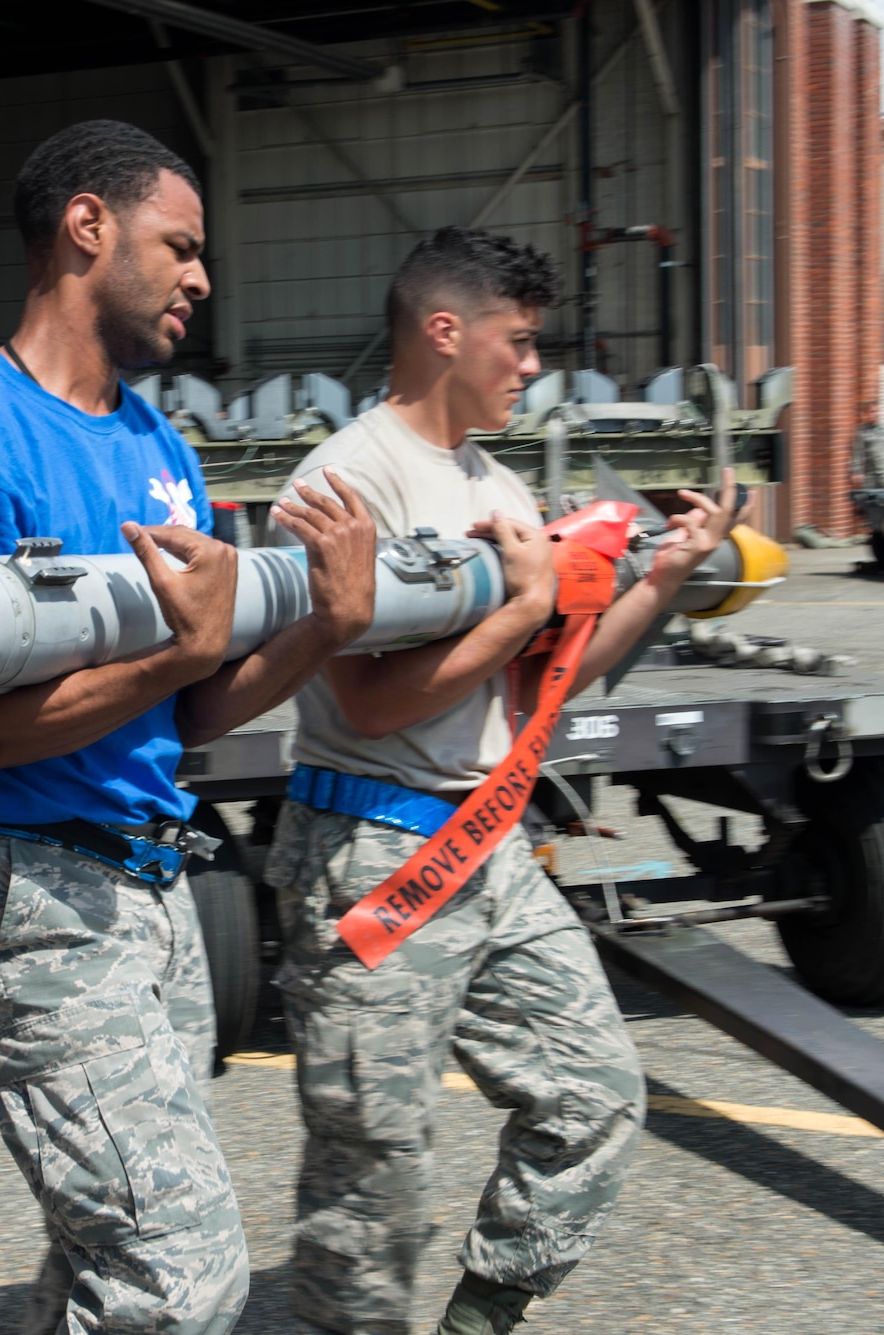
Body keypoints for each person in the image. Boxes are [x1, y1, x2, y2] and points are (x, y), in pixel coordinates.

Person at [0, 119, 377, 1335]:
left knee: (101, 1259)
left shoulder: (154, 446)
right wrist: (183, 642)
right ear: (85, 229)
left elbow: (187, 712)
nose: (201, 278)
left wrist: (323, 628)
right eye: (180, 246)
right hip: (23, 887)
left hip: (152, 883)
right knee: (176, 1280)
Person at [265, 226, 735, 1335]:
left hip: (484, 847)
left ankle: (480, 1319)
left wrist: (660, 580)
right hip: (370, 859)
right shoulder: (342, 481)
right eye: (516, 343)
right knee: (370, 1186)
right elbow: (372, 705)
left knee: (592, 1097)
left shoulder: (493, 480)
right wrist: (523, 602)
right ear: (444, 332)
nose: (532, 365)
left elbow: (542, 685)